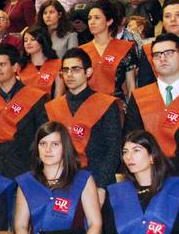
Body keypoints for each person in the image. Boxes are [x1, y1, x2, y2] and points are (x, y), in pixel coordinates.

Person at [46, 47, 123, 187]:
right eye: (65, 70)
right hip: (62, 179)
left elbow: (113, 149)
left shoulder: (106, 104)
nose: (69, 74)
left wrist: (101, 187)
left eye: (75, 69)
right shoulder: (53, 107)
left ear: (88, 72)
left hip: (97, 178)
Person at [0, 45, 49, 178]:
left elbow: (40, 134)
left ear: (15, 67)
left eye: (2, 64)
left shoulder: (35, 98)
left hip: (26, 168)